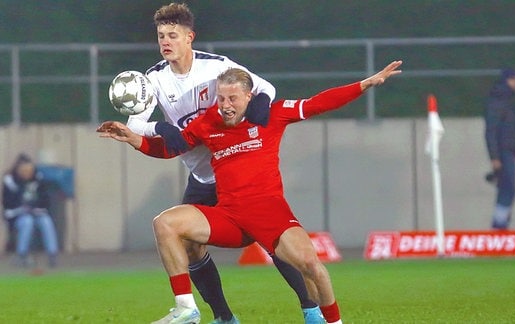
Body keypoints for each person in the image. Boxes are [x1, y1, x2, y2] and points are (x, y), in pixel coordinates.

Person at [98, 60, 403, 324]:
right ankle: (186, 308)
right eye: (221, 98)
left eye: (232, 98)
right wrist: (133, 138)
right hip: (229, 217)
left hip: (270, 216)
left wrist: (366, 83)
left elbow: (319, 103)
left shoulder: (274, 113)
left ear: (249, 96)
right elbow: (171, 149)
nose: (225, 105)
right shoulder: (209, 122)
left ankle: (329, 319)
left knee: (312, 267)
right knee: (165, 223)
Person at [126, 3, 322, 324]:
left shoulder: (216, 67)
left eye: (172, 35)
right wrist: (159, 127)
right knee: (187, 245)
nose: (165, 41)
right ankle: (224, 318)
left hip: (238, 172)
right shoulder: (154, 79)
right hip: (203, 178)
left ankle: (311, 311)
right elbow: (135, 127)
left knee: (275, 244)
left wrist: (260, 103)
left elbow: (265, 87)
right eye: (161, 35)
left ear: (190, 37)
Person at [484, 67, 515, 229]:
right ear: (510, 79)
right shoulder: (500, 101)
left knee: (507, 189)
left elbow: (513, 130)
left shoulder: (505, 100)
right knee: (508, 189)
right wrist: (495, 157)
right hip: (504, 152)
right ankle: (499, 225)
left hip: (508, 151)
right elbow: (492, 130)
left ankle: (501, 224)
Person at [2, 154, 58, 268]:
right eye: (24, 170)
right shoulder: (10, 181)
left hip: (37, 212)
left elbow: (45, 200)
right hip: (17, 215)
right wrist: (23, 206)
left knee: (46, 221)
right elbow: (7, 203)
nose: (27, 173)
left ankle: (52, 254)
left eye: (29, 170)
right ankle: (22, 254)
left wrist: (36, 206)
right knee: (27, 222)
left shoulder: (38, 179)